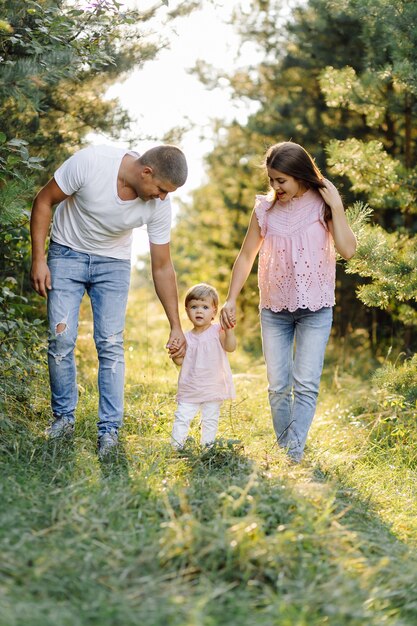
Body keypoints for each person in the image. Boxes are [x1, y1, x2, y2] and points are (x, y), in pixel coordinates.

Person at [30, 143, 188, 457]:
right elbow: (44, 200)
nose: (162, 197)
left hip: (113, 264)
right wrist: (39, 259)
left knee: (111, 344)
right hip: (66, 253)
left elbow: (161, 265)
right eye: (160, 189)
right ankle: (63, 421)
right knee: (61, 339)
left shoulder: (158, 206)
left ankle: (109, 432)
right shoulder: (93, 162)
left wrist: (176, 324)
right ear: (146, 172)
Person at [220, 141, 357, 463]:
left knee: (305, 384)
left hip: (316, 309)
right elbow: (245, 256)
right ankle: (286, 451)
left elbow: (349, 251)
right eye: (271, 180)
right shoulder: (264, 210)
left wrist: (337, 207)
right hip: (275, 310)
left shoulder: (322, 204)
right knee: (278, 386)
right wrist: (230, 299)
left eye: (281, 180)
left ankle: (291, 455)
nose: (275, 187)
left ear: (299, 174)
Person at [169, 283, 236, 448]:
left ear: (214, 311)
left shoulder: (217, 331)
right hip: (190, 387)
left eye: (205, 307)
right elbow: (180, 362)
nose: (199, 311)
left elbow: (230, 347)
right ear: (187, 311)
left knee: (210, 419)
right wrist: (175, 353)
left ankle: (208, 448)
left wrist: (229, 330)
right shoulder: (186, 338)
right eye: (194, 307)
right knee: (182, 417)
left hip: (212, 386)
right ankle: (176, 447)